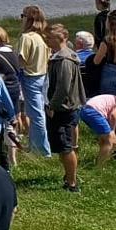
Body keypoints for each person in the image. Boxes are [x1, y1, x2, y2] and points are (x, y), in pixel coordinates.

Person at [43, 25, 86, 191]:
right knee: (62, 146)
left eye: (49, 38)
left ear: (59, 39)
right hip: (62, 107)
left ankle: (72, 182)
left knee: (66, 146)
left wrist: (52, 105)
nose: (47, 41)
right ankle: (68, 175)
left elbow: (63, 87)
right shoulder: (60, 56)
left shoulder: (65, 60)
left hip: (63, 108)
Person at [17, 5, 51, 156]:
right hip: (43, 75)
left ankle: (42, 149)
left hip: (30, 76)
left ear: (28, 19)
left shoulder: (27, 37)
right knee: (37, 112)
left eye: (22, 16)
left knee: (36, 114)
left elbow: (21, 60)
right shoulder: (43, 36)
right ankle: (34, 145)